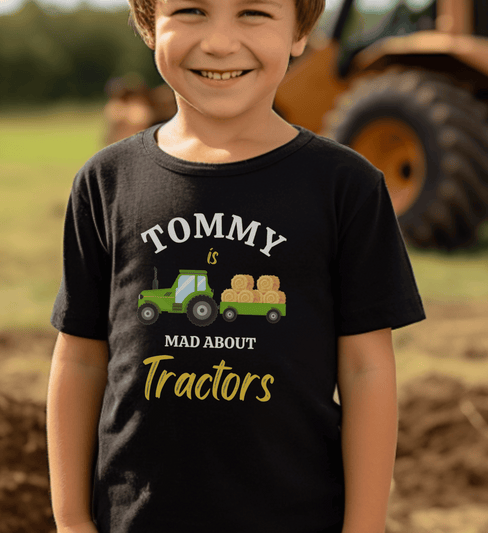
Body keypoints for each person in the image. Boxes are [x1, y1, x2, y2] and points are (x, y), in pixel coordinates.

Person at [46, 0, 426, 532]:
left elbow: (366, 370)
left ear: (301, 32)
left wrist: (363, 526)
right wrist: (70, 520)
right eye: (192, 11)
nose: (220, 42)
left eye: (252, 13)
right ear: (151, 25)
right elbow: (81, 359)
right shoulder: (105, 182)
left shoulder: (346, 187)